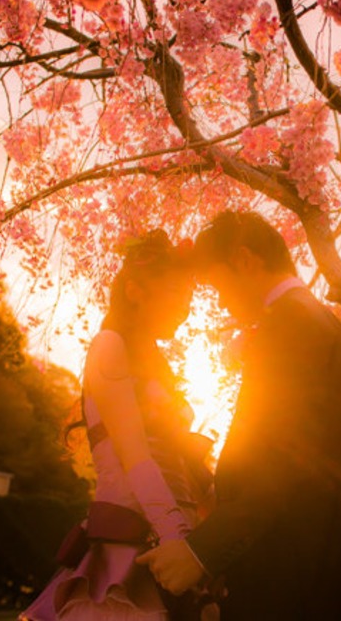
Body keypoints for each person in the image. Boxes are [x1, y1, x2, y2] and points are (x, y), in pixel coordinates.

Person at [138, 211, 341, 620]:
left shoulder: (293, 327)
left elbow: (283, 465)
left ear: (245, 260)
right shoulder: (308, 321)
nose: (220, 302)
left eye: (217, 286)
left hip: (303, 585)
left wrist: (199, 553)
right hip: (310, 576)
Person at [23, 231, 212, 621]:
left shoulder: (156, 362)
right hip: (132, 548)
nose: (185, 309)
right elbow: (136, 457)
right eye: (177, 296)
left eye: (189, 300)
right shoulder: (109, 344)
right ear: (135, 290)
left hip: (173, 551)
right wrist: (180, 539)